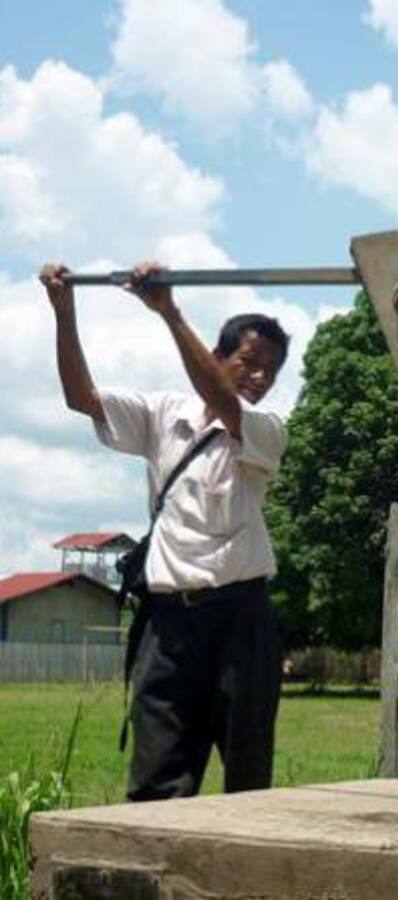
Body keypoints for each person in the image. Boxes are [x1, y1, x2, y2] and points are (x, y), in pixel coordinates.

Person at [40, 261, 290, 801]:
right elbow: (81, 398)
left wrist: (169, 311)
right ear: (217, 357)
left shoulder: (265, 430)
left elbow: (224, 402)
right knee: (156, 780)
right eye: (249, 361)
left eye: (271, 370)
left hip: (241, 622)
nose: (260, 378)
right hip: (169, 623)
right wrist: (65, 311)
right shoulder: (164, 415)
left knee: (249, 781)